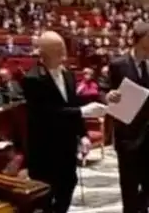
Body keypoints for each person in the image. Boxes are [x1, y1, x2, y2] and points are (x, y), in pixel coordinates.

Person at [22, 31, 107, 213]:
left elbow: (72, 104)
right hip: (44, 149)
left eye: (62, 46)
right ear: (43, 52)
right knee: (45, 195)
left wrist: (83, 134)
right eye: (57, 48)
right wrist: (82, 111)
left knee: (68, 186)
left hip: (66, 146)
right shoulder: (33, 78)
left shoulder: (68, 74)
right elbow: (45, 114)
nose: (63, 51)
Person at [105, 22, 149, 213]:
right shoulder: (118, 65)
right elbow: (104, 90)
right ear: (140, 39)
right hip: (128, 133)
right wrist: (108, 96)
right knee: (129, 185)